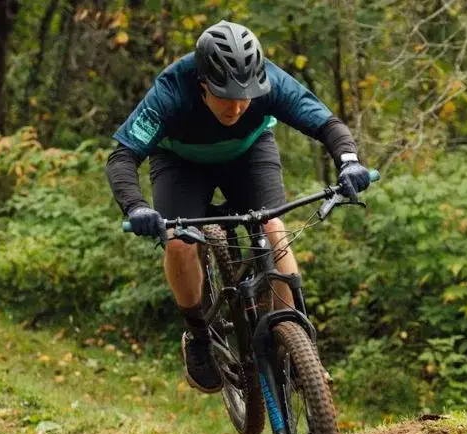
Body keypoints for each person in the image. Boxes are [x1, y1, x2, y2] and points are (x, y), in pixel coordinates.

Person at [105, 20, 371, 394]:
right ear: (202, 84)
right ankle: (198, 336)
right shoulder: (170, 91)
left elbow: (327, 124)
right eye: (226, 95)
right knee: (179, 242)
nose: (238, 106)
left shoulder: (271, 82)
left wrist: (349, 161)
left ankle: (296, 341)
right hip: (180, 163)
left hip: (249, 153)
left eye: (246, 95)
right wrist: (135, 207)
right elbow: (122, 156)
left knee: (273, 228)